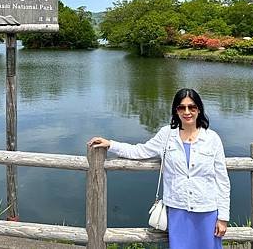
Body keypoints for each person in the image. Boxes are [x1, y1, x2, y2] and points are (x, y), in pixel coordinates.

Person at [88, 88, 230, 249]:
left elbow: (222, 181)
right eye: (181, 107)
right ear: (175, 110)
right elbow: (140, 151)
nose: (187, 111)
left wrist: (223, 217)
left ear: (199, 110)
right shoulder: (167, 135)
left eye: (192, 107)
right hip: (178, 210)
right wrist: (112, 144)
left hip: (207, 211)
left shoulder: (212, 139)